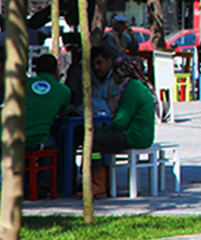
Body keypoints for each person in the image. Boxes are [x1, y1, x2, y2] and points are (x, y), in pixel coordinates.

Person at [88, 60, 157, 196]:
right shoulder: (139, 86)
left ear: (119, 73)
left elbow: (122, 121)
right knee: (102, 141)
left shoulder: (131, 89)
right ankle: (103, 182)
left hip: (134, 136)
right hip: (142, 134)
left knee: (94, 142)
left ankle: (98, 185)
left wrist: (104, 131)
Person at [24, 54, 73, 151]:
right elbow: (63, 112)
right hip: (38, 140)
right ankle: (53, 166)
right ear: (56, 70)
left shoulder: (23, 83)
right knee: (55, 140)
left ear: (36, 70)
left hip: (13, 139)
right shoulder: (63, 90)